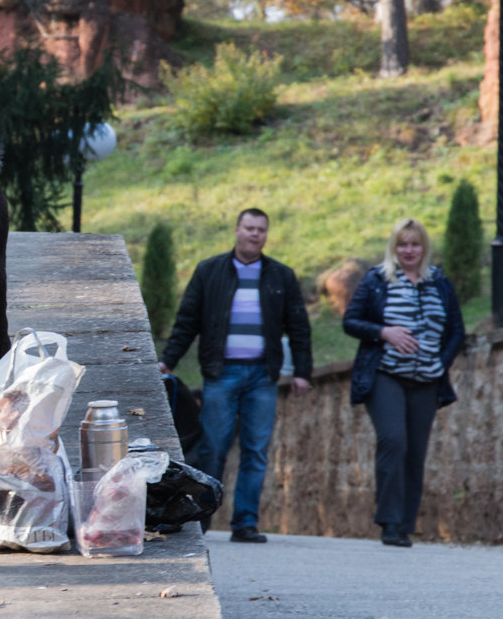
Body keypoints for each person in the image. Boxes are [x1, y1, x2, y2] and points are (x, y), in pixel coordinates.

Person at [158, 208, 313, 543]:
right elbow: (187, 321)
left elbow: (299, 326)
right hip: (221, 372)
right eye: (249, 228)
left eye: (261, 230)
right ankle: (202, 521)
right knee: (213, 448)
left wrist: (303, 372)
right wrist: (168, 359)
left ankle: (245, 523)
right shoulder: (209, 271)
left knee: (256, 450)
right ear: (237, 230)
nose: (255, 234)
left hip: (262, 376)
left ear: (266, 235)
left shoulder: (280, 276)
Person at [342, 217, 465, 547]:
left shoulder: (440, 282)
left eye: (414, 244)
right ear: (393, 247)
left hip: (427, 380)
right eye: (402, 244)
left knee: (414, 452)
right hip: (385, 374)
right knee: (393, 439)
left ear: (424, 247)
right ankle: (389, 521)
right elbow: (351, 321)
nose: (408, 250)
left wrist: (441, 363)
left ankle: (404, 524)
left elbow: (457, 331)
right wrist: (384, 332)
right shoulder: (377, 280)